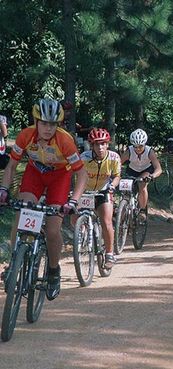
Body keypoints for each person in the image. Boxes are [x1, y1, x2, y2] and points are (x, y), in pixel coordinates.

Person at [0, 99, 88, 300]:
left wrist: (73, 201)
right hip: (35, 173)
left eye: (53, 124)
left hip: (60, 176)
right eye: (44, 123)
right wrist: (3, 189)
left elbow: (81, 174)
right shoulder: (25, 135)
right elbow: (12, 166)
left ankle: (54, 271)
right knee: (22, 212)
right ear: (36, 121)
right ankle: (15, 261)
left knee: (52, 229)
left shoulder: (65, 141)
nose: (48, 129)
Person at [79, 128, 120, 268]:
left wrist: (112, 186)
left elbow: (117, 176)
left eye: (103, 144)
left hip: (103, 191)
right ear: (92, 146)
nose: (100, 147)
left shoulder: (114, 157)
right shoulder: (84, 158)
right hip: (86, 191)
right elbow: (74, 174)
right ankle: (83, 231)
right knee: (74, 217)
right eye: (97, 144)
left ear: (107, 144)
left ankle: (109, 253)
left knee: (106, 221)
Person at [120, 128, 162, 214]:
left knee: (142, 185)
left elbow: (158, 169)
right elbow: (117, 164)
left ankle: (142, 210)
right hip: (132, 170)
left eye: (140, 146)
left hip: (146, 170)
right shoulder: (129, 151)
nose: (138, 149)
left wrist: (152, 176)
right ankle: (122, 212)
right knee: (125, 189)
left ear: (144, 144)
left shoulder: (149, 151)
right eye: (135, 146)